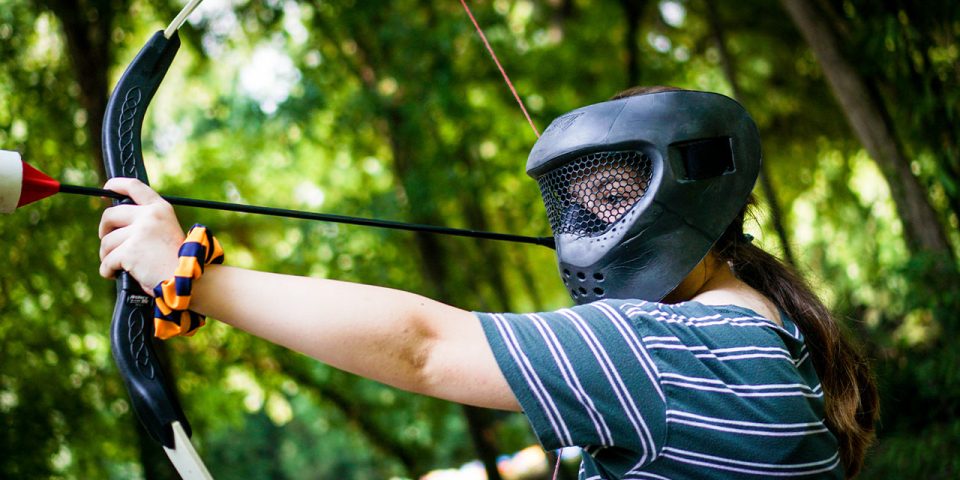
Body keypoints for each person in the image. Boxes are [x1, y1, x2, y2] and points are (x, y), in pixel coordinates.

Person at [98, 87, 878, 479]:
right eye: (570, 203)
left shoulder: (670, 352)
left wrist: (186, 276)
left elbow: (425, 349)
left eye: (610, 196)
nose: (579, 226)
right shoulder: (779, 337)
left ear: (688, 191)